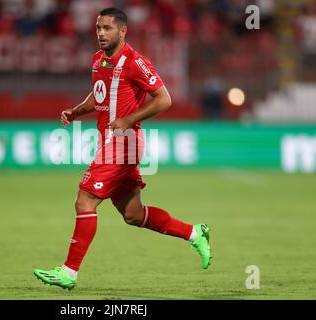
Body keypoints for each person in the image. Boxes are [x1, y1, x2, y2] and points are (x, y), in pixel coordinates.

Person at [33, 7, 212, 290]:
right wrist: (76, 111)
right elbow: (99, 95)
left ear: (122, 31)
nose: (101, 34)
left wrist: (129, 119)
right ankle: (195, 233)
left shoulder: (135, 62)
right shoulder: (97, 61)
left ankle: (69, 272)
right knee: (134, 215)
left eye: (107, 28)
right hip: (110, 143)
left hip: (123, 144)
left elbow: (164, 99)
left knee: (85, 200)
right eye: (98, 28)